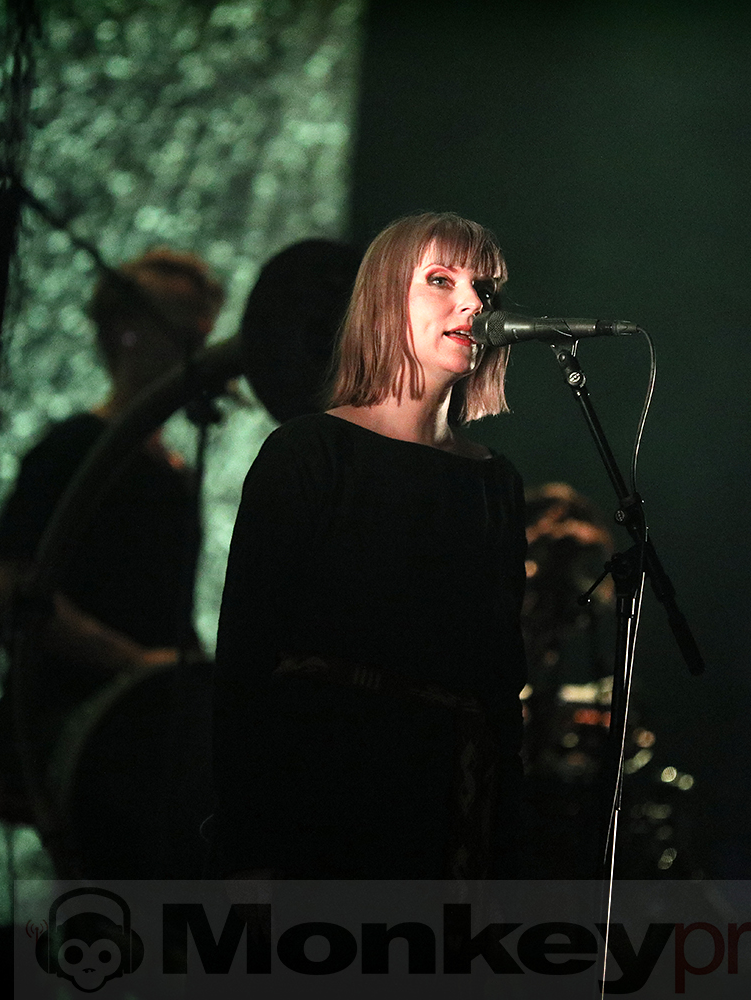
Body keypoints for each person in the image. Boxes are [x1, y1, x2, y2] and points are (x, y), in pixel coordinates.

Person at [210, 212, 526, 879]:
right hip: (316, 801)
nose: (472, 303)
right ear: (383, 300)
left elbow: (501, 688)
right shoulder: (308, 452)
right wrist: (243, 851)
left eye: (485, 288)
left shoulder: (496, 482)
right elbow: (244, 659)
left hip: (443, 819)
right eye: (440, 279)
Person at [0, 249, 223, 856]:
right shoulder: (69, 451)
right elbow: (9, 588)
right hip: (69, 728)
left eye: (203, 329)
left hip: (143, 729)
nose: (199, 344)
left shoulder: (175, 475)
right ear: (127, 334)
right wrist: (139, 666)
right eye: (182, 326)